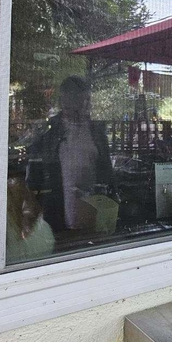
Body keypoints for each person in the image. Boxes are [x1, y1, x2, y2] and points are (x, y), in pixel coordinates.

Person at [26, 75, 115, 233]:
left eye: (88, 100)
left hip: (92, 208)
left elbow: (106, 171)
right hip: (56, 212)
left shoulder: (97, 132)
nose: (86, 105)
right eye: (81, 100)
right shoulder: (49, 132)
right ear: (65, 101)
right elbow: (35, 174)